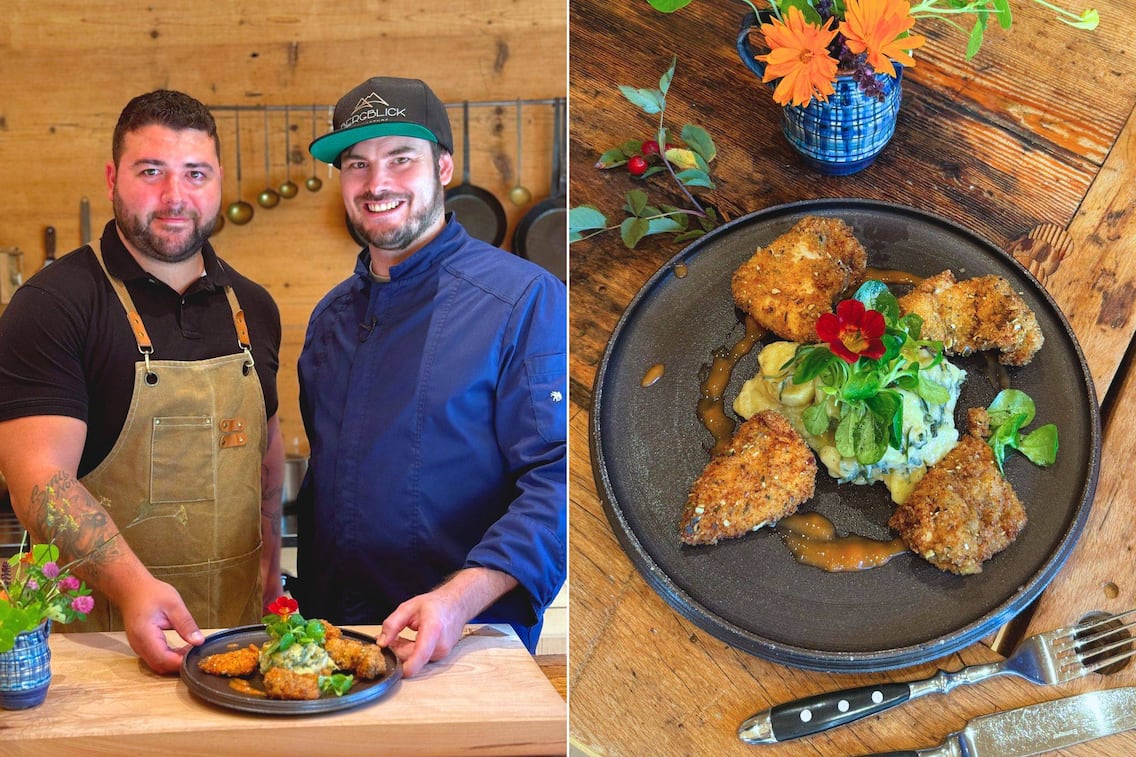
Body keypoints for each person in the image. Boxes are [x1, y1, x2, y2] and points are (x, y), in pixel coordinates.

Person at [0, 90, 284, 674]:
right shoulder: (54, 305)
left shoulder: (253, 306)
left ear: (219, 181)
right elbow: (38, 481)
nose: (174, 197)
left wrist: (273, 576)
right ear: (112, 177)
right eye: (150, 171)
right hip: (95, 647)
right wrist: (133, 591)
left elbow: (265, 454)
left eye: (194, 173)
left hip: (236, 640)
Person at [294, 76, 567, 677]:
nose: (377, 183)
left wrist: (456, 599)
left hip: (464, 635)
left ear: (443, 168)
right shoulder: (329, 320)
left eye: (401, 158)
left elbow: (559, 478)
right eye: (357, 164)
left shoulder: (525, 300)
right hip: (334, 637)